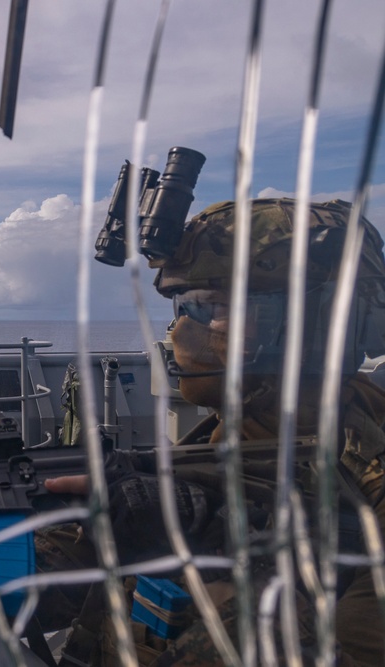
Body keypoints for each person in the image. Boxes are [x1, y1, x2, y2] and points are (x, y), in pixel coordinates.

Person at [39, 198, 385, 666]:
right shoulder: (219, 444)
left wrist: (215, 560)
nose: (183, 330)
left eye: (214, 308)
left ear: (319, 320)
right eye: (186, 307)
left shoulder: (366, 488)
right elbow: (51, 577)